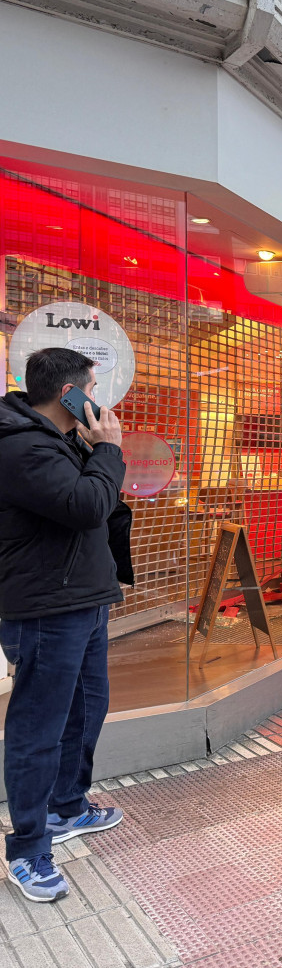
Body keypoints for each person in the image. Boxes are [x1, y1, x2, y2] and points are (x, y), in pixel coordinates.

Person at [0, 348, 132, 902]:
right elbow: (85, 506)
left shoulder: (59, 441)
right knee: (38, 728)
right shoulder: (22, 447)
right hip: (45, 610)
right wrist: (108, 449)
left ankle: (68, 807)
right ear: (69, 394)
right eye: (92, 388)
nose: (98, 399)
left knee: (86, 710)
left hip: (82, 601)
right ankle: (28, 849)